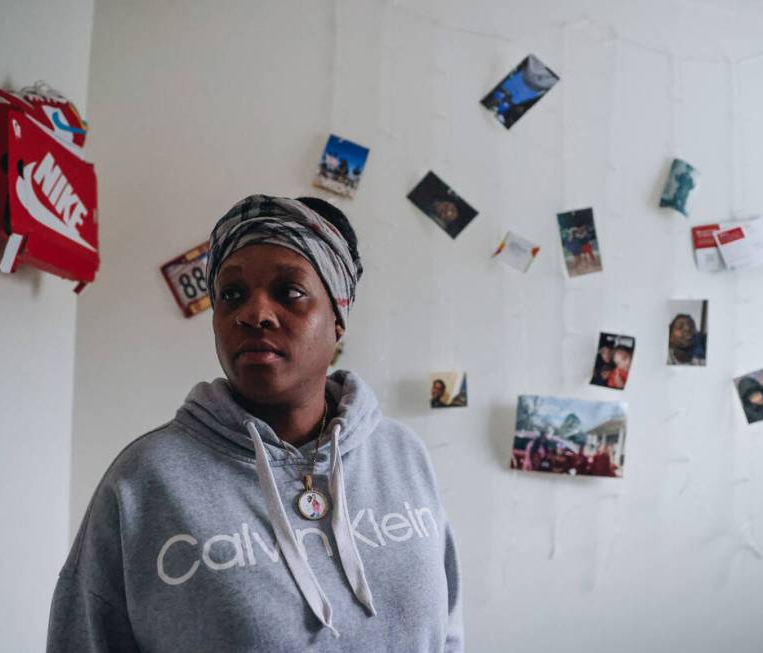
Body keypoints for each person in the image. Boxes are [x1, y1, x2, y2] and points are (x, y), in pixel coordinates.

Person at [46, 195, 464, 652]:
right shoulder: (145, 481)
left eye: (289, 292)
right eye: (231, 295)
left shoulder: (402, 455)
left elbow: (448, 632)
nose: (254, 313)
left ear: (338, 319)